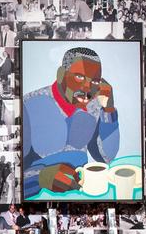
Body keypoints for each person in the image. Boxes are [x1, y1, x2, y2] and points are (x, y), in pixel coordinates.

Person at [22, 47, 120, 197]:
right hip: (39, 198)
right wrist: (41, 177)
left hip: (80, 194)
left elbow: (106, 157)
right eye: (79, 77)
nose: (88, 88)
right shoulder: (29, 104)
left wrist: (109, 110)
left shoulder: (94, 104)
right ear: (61, 74)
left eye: (94, 81)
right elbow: (12, 177)